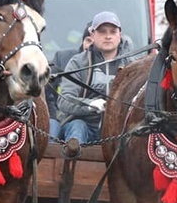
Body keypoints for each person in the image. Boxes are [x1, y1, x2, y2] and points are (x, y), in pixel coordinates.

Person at [57, 11, 134, 144]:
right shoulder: (77, 62)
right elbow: (64, 101)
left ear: (119, 35)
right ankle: (73, 156)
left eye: (113, 32)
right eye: (102, 32)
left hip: (119, 130)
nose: (108, 36)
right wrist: (90, 105)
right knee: (77, 127)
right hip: (86, 126)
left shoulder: (132, 66)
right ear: (92, 35)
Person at [46, 23, 91, 140]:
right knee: (51, 126)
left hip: (83, 124)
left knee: (78, 127)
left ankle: (73, 155)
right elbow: (47, 91)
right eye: (88, 40)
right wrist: (53, 116)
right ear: (83, 42)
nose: (91, 46)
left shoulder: (105, 69)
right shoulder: (63, 59)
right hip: (58, 118)